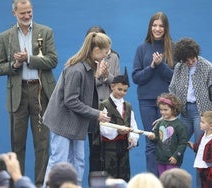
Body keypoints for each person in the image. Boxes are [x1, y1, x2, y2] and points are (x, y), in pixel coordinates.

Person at [0, 0, 58, 186]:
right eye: (22, 13)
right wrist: (14, 64)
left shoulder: (45, 32)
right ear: (14, 13)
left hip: (40, 91)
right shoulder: (5, 37)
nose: (27, 16)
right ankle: (17, 183)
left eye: (29, 12)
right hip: (17, 93)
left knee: (42, 144)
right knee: (17, 144)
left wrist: (29, 58)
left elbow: (53, 60)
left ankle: (40, 184)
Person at [42, 32, 112, 186]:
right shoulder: (76, 69)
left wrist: (98, 76)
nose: (106, 57)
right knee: (59, 161)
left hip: (77, 123)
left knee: (78, 161)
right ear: (96, 50)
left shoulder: (88, 68)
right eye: (106, 53)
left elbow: (83, 92)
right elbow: (71, 100)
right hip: (62, 123)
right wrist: (96, 114)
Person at [169, 37, 212, 188]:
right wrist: (169, 116)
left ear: (196, 53)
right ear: (181, 59)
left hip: (202, 114)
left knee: (202, 154)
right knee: (173, 146)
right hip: (183, 113)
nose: (190, 62)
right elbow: (172, 90)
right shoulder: (179, 68)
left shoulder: (207, 67)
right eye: (186, 59)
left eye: (192, 58)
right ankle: (171, 183)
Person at [132, 11, 174, 176]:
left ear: (166, 28)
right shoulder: (142, 48)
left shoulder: (172, 47)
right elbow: (136, 77)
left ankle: (166, 180)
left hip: (167, 103)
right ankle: (152, 181)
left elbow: (175, 78)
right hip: (147, 101)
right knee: (151, 140)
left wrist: (161, 64)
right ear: (150, 27)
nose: (157, 29)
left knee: (166, 142)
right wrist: (152, 67)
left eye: (161, 26)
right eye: (154, 25)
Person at [85, 26, 121, 174]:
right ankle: (95, 183)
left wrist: (106, 76)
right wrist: (99, 77)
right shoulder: (85, 60)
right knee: (94, 150)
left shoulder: (113, 57)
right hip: (92, 109)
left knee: (110, 150)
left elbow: (117, 83)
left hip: (109, 108)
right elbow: (85, 86)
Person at [99, 67, 139, 182]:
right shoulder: (104, 105)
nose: (122, 93)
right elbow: (102, 127)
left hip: (124, 146)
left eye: (125, 90)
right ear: (112, 87)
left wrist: (132, 138)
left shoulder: (128, 106)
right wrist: (117, 131)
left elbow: (133, 125)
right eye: (119, 89)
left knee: (124, 175)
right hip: (109, 147)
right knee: (110, 175)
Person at [147, 93, 187, 175]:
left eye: (166, 110)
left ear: (174, 109)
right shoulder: (160, 123)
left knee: (171, 181)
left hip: (173, 160)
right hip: (160, 159)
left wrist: (176, 156)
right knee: (163, 180)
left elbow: (182, 144)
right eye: (161, 110)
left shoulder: (179, 125)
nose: (163, 112)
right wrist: (152, 137)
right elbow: (156, 139)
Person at [188, 111, 212, 188]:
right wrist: (193, 146)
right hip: (202, 167)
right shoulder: (203, 135)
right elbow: (201, 148)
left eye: (202, 122)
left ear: (211, 126)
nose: (200, 123)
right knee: (204, 184)